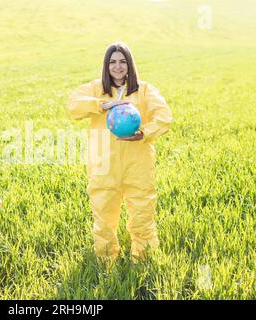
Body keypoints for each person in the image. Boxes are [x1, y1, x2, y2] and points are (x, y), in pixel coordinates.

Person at [67, 42, 173, 263]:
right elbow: (73, 105)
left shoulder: (144, 90)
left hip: (138, 164)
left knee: (143, 214)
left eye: (122, 61)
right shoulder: (97, 90)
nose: (117, 66)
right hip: (104, 165)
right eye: (112, 62)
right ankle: (105, 262)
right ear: (106, 66)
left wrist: (143, 132)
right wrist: (103, 105)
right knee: (104, 218)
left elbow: (164, 117)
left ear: (130, 65)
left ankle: (144, 261)